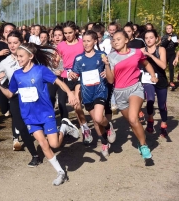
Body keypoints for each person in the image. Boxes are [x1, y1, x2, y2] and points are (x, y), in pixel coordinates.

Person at [0, 43, 80, 186]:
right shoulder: (17, 75)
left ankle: (64, 127)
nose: (18, 59)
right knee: (43, 143)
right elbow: (10, 94)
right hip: (29, 116)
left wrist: (71, 93)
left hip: (45, 113)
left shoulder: (41, 70)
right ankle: (60, 172)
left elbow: (59, 83)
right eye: (17, 56)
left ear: (31, 56)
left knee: (54, 144)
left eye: (21, 56)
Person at [0, 31, 42, 166]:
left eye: (15, 43)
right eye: (10, 43)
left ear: (22, 42)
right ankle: (34, 155)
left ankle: (46, 144)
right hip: (16, 97)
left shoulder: (31, 57)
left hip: (33, 96)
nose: (12, 46)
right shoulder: (6, 63)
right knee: (20, 126)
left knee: (36, 125)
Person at [105, 30, 158, 161]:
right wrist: (106, 64)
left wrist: (152, 75)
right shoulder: (111, 57)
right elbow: (111, 80)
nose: (115, 41)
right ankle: (141, 140)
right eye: (113, 40)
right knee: (132, 123)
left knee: (134, 118)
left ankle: (144, 146)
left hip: (135, 88)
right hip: (119, 92)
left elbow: (146, 63)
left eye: (118, 39)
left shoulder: (137, 52)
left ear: (126, 40)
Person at [71, 30, 116, 156]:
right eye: (84, 41)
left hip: (100, 90)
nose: (85, 43)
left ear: (95, 41)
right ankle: (104, 143)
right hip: (87, 93)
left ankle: (108, 127)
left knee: (97, 117)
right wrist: (73, 75)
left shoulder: (101, 55)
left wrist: (106, 71)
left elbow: (110, 69)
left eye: (88, 41)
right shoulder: (78, 58)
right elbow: (75, 75)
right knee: (96, 122)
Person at [57, 21, 92, 144]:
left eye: (70, 32)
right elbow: (57, 67)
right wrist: (65, 72)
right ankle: (84, 127)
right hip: (68, 78)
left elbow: (90, 57)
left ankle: (86, 130)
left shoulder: (83, 43)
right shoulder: (60, 46)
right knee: (75, 106)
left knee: (77, 103)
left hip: (81, 76)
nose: (67, 35)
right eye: (65, 33)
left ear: (76, 31)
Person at [141, 30, 168, 138]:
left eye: (151, 37)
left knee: (162, 105)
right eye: (146, 38)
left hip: (161, 79)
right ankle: (150, 120)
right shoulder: (142, 50)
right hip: (148, 80)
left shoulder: (161, 49)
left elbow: (163, 66)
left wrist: (150, 56)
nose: (148, 40)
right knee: (150, 100)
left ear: (156, 38)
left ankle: (163, 125)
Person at [161, 24, 178, 90]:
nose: (168, 29)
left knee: (171, 67)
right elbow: (163, 45)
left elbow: (176, 45)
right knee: (163, 67)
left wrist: (177, 42)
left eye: (169, 28)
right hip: (165, 53)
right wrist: (168, 40)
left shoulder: (175, 35)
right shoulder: (164, 36)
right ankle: (163, 81)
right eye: (167, 28)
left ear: (172, 29)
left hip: (172, 53)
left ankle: (171, 82)